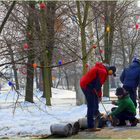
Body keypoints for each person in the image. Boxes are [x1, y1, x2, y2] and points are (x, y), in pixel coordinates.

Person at [80, 62, 116, 132]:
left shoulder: (101, 69)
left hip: (89, 85)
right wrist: (99, 96)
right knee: (91, 105)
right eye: (111, 73)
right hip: (87, 85)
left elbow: (97, 85)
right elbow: (98, 86)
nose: (110, 75)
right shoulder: (103, 72)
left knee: (95, 101)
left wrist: (98, 96)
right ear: (110, 70)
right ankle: (90, 126)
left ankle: (96, 114)